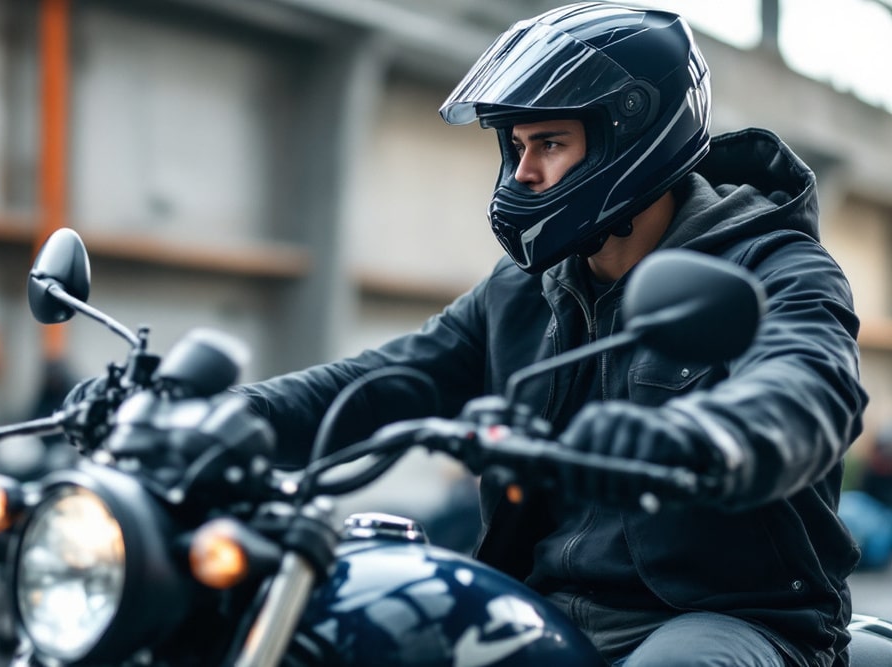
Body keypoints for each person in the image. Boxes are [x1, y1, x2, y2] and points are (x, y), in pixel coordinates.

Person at [232, 3, 867, 666]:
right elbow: (382, 380)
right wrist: (223, 413)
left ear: (634, 135)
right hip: (541, 600)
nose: (523, 173)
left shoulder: (776, 266)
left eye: (550, 144)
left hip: (726, 616)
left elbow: (804, 390)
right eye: (515, 147)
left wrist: (698, 438)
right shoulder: (519, 291)